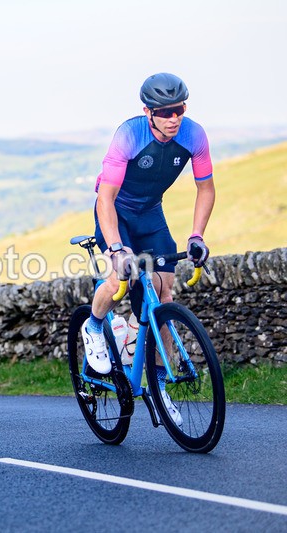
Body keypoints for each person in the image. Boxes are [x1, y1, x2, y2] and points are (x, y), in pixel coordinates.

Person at [82, 73, 215, 425]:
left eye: (180, 109)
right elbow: (105, 199)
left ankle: (158, 386)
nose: (174, 118)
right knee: (117, 277)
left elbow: (206, 189)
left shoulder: (194, 135)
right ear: (148, 111)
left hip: (151, 213)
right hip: (117, 212)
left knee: (163, 294)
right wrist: (115, 247)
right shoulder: (129, 135)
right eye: (166, 111)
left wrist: (197, 236)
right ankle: (94, 327)